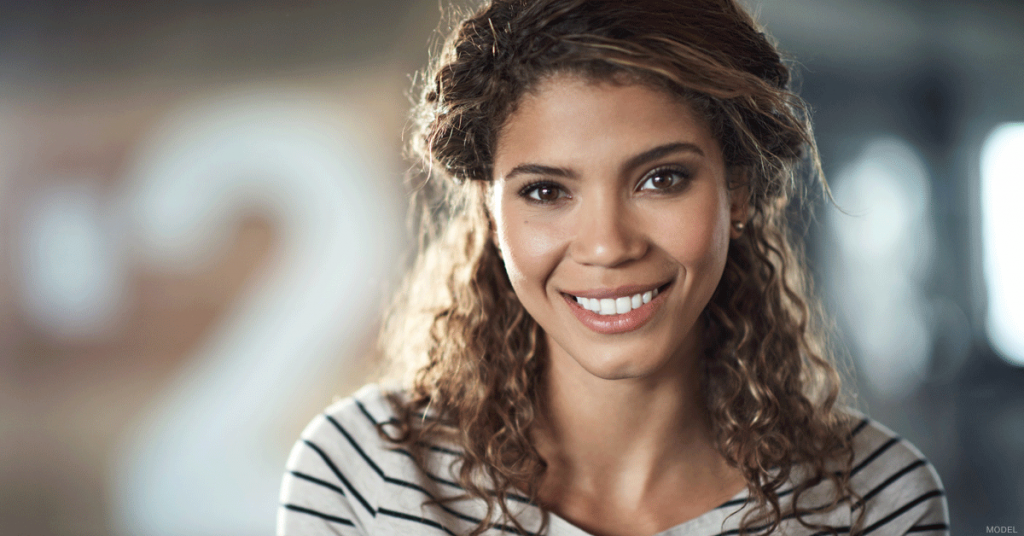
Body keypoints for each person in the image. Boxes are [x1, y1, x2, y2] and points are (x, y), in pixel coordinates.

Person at [277, 0, 950, 534]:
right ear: (488, 209)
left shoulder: (876, 500)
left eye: (660, 179)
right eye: (546, 191)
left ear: (737, 191)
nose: (606, 246)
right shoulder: (361, 472)